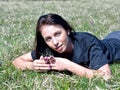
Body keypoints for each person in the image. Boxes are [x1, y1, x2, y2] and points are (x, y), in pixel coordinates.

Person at [12, 13, 120, 80]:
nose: (55, 42)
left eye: (58, 34)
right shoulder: (47, 47)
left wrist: (67, 65)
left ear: (67, 31)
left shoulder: (87, 42)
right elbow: (17, 61)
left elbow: (106, 76)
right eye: (48, 38)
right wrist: (35, 66)